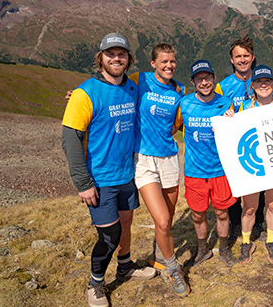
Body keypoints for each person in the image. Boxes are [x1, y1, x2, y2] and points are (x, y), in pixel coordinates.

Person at [62, 33, 155, 307]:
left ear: (129, 59)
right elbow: (70, 139)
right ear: (100, 58)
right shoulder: (85, 93)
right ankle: (95, 283)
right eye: (110, 54)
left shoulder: (132, 86)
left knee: (126, 225)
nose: (116, 59)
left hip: (127, 174)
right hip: (100, 180)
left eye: (122, 54)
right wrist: (82, 183)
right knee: (109, 235)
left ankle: (125, 266)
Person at [127, 43, 188, 296]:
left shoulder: (178, 89)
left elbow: (180, 121)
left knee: (168, 220)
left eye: (172, 61)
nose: (169, 66)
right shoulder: (138, 79)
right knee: (162, 220)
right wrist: (79, 93)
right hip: (144, 161)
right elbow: (112, 90)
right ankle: (173, 270)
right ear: (153, 63)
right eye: (163, 62)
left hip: (170, 158)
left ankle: (160, 254)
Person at [180, 60, 238, 267]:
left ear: (214, 78)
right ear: (193, 81)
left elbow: (237, 132)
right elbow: (176, 126)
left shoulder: (226, 103)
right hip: (194, 172)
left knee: (222, 213)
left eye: (208, 77)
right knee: (197, 215)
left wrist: (232, 120)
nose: (204, 82)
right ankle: (202, 250)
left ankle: (223, 248)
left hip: (220, 170)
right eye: (199, 78)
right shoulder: (184, 104)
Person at [229, 65, 273, 263]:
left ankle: (270, 240)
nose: (263, 85)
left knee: (272, 203)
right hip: (251, 164)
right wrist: (227, 122)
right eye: (259, 82)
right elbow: (232, 133)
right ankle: (246, 242)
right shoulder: (243, 107)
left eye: (267, 81)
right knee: (250, 207)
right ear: (252, 85)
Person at [215, 35, 265, 243]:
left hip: (261, 142)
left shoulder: (263, 81)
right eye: (238, 56)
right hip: (234, 146)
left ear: (253, 57)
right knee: (234, 186)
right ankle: (237, 224)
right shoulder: (223, 86)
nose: (242, 60)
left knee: (261, 185)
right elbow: (216, 112)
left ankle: (259, 224)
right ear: (232, 60)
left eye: (246, 56)